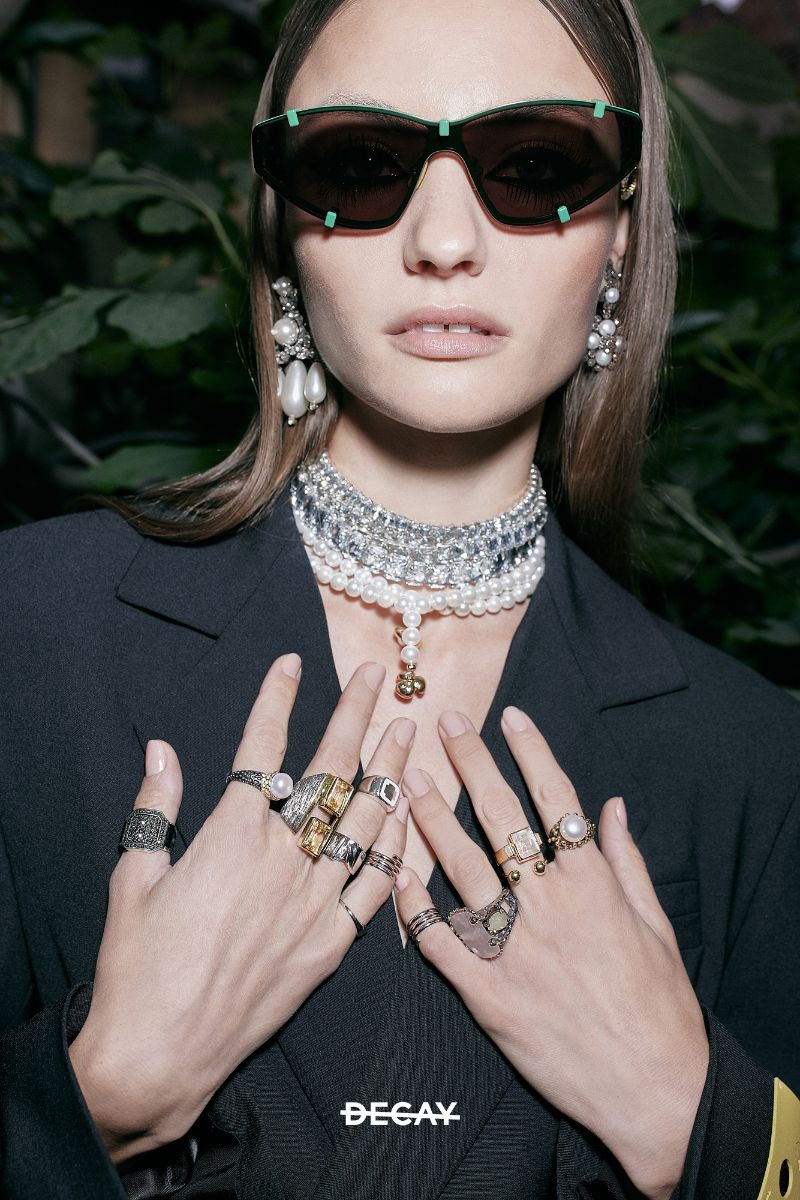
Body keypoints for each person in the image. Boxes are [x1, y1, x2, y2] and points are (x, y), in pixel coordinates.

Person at [0, 0, 798, 1197]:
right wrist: (104, 1089)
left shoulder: (750, 757)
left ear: (621, 238)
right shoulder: (26, 634)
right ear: (281, 229)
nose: (442, 240)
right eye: (359, 164)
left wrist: (694, 1118)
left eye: (535, 166)